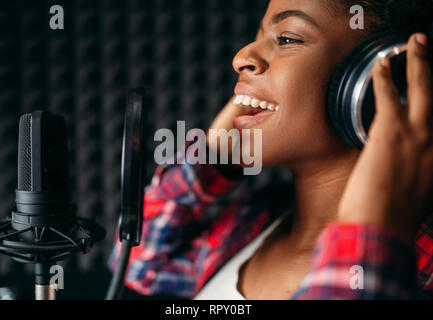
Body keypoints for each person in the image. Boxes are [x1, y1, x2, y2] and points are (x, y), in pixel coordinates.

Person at [109, 0, 433, 299]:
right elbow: (138, 263)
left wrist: (373, 234)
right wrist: (213, 160)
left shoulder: (420, 267)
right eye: (259, 35)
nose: (242, 57)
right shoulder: (253, 223)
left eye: (287, 38)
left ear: (386, 74)